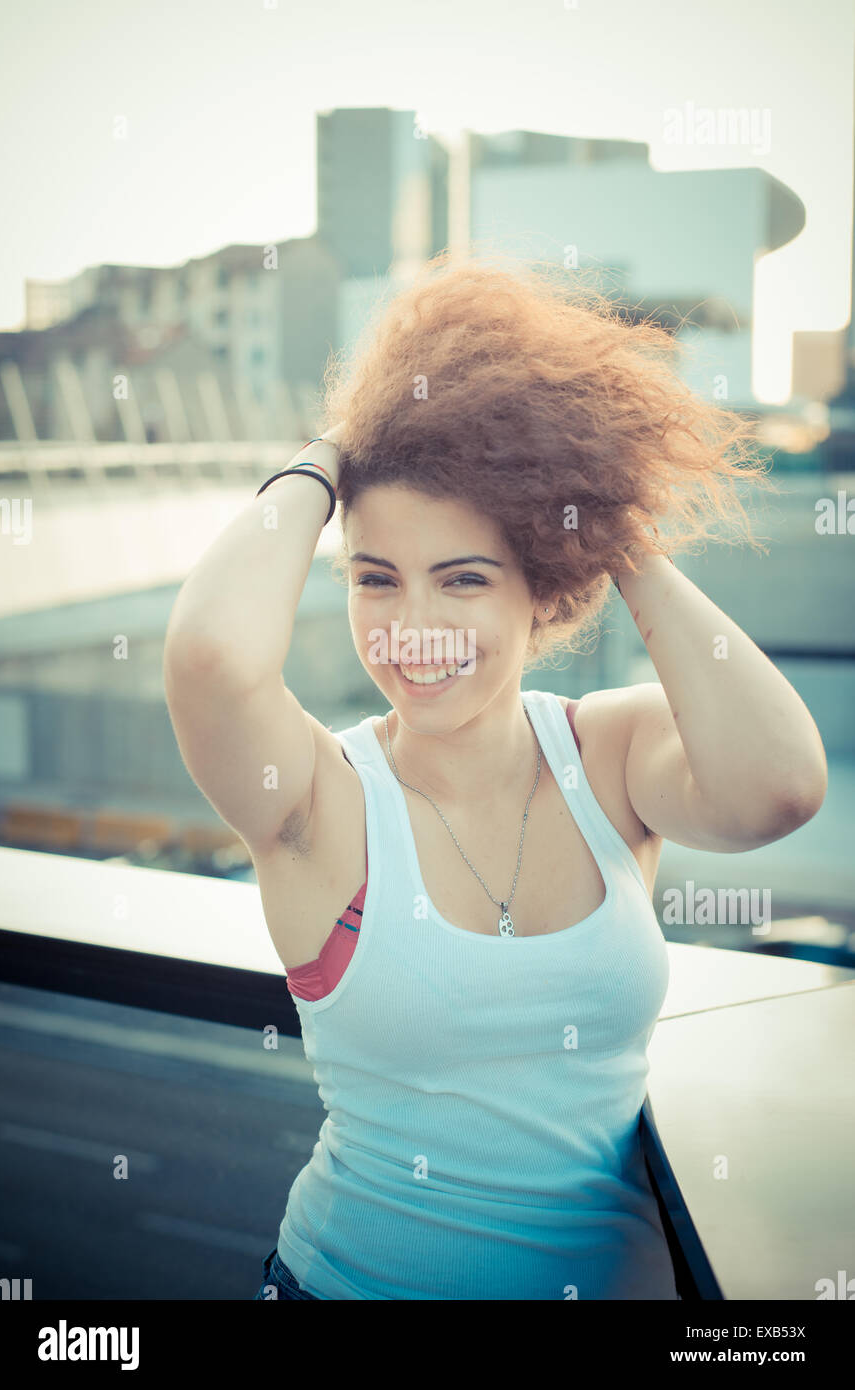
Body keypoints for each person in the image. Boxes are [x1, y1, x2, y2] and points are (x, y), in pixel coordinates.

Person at [163, 252, 828, 1300]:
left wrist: (610, 531)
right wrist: (335, 451)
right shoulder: (321, 799)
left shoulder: (607, 756)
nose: (415, 629)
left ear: (544, 595)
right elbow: (209, 656)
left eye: (463, 580)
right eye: (377, 580)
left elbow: (780, 785)